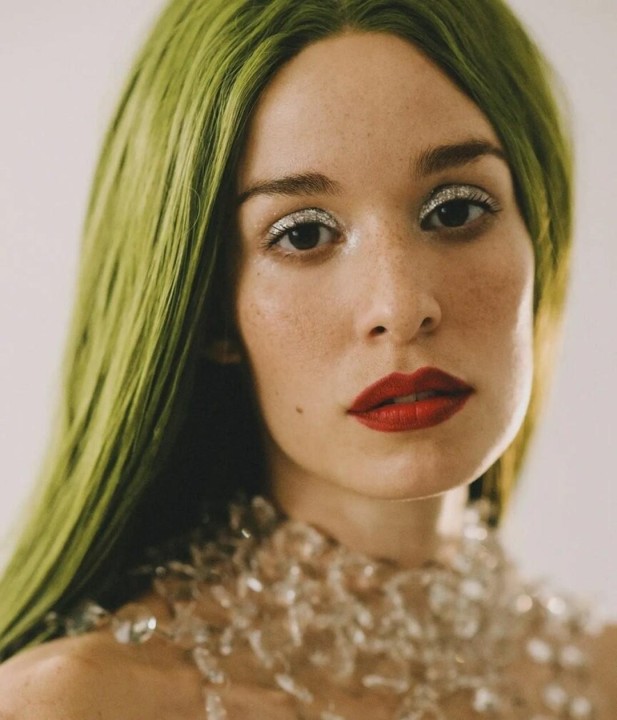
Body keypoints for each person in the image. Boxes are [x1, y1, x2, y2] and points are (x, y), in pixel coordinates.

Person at [0, 0, 614, 717]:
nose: (400, 305)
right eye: (301, 235)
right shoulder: (81, 703)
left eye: (454, 209)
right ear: (209, 307)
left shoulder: (602, 685)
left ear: (540, 233)